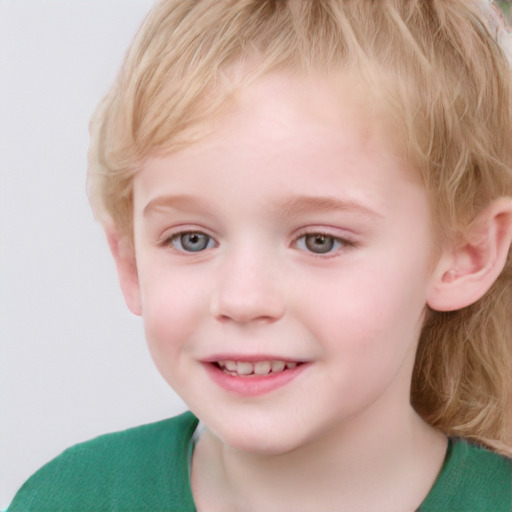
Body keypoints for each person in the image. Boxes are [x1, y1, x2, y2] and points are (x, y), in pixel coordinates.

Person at [8, 0, 512, 510]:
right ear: (131, 262)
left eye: (321, 241)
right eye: (192, 240)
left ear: (466, 254)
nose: (243, 299)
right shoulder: (72, 498)